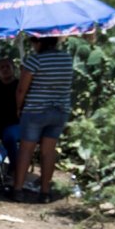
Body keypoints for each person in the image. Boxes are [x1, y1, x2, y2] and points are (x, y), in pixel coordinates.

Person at [11, 36, 73, 203]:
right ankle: (45, 192)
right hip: (59, 111)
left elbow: (22, 89)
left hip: (35, 111)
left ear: (39, 42)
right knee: (48, 151)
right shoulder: (66, 59)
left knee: (26, 150)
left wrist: (19, 107)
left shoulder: (35, 60)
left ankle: (17, 189)